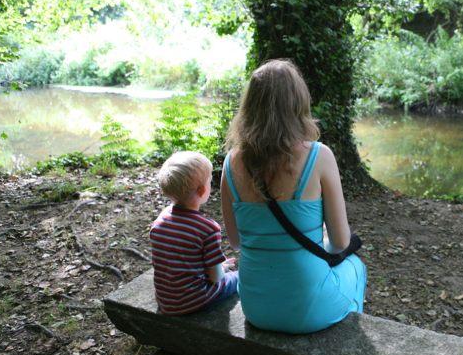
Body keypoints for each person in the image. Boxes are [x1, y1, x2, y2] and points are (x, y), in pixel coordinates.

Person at [221, 59, 366, 334]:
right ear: (298, 104)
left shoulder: (230, 163)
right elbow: (339, 243)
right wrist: (317, 236)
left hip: (255, 308)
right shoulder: (319, 156)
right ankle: (347, 348)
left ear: (249, 105)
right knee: (356, 266)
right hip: (307, 310)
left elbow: (236, 242)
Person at [151, 151, 238, 315]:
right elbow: (215, 278)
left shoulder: (160, 221)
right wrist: (222, 269)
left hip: (166, 300)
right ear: (203, 190)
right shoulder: (208, 228)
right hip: (194, 300)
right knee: (239, 277)